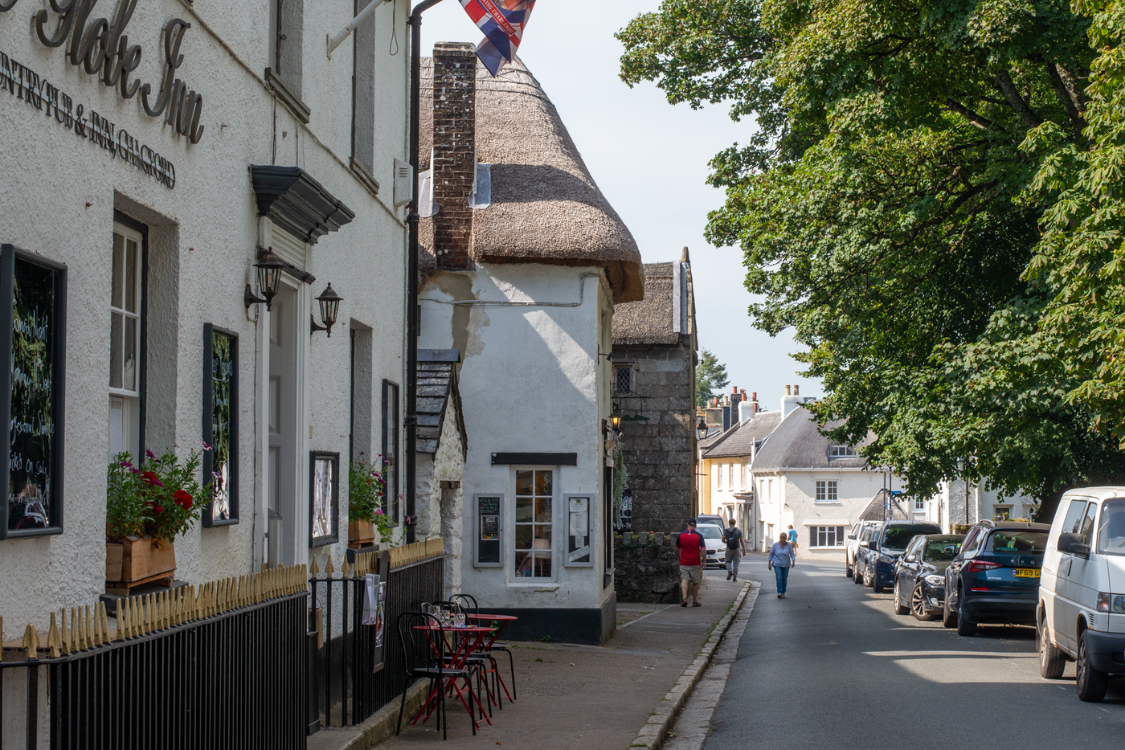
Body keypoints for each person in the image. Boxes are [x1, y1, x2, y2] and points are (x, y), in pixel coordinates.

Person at [675, 518, 705, 607]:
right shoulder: (699, 536)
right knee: (695, 582)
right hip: (695, 562)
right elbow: (703, 549)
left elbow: (677, 548)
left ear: (687, 525)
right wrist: (704, 561)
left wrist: (680, 557)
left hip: (684, 561)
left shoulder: (681, 535)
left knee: (684, 579)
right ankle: (695, 601)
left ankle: (684, 598)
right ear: (695, 526)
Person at [768, 532, 797, 598]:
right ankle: (779, 592)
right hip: (777, 564)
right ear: (780, 538)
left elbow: (792, 553)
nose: (782, 540)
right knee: (779, 578)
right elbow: (771, 554)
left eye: (784, 538)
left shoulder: (789, 545)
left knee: (784, 579)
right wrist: (769, 563)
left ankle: (783, 592)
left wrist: (793, 561)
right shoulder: (775, 545)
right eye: (781, 538)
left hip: (786, 564)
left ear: (786, 539)